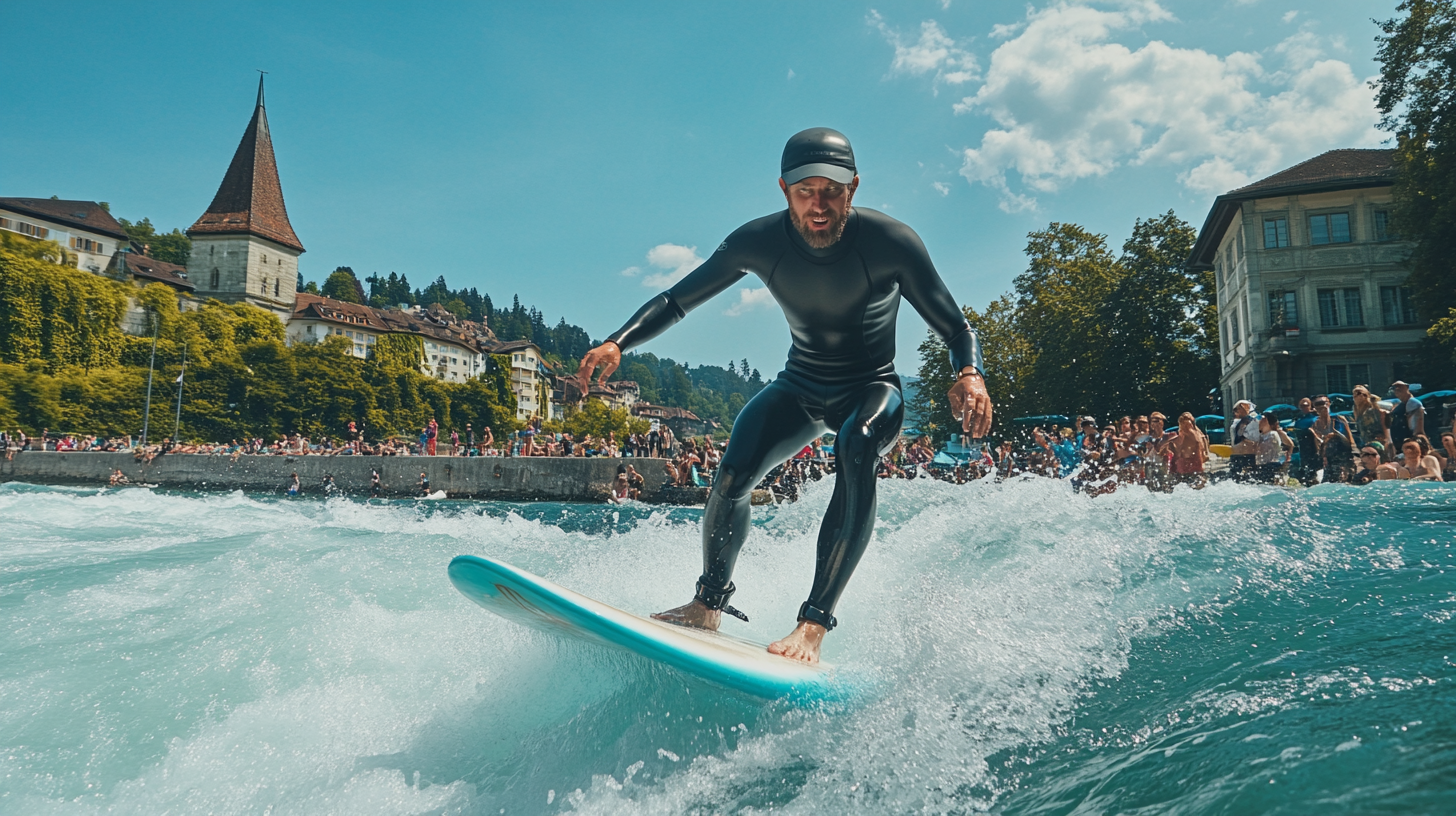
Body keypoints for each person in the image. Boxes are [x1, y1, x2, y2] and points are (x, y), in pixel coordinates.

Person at [574, 128, 991, 664]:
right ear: (783, 189)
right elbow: (678, 299)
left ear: (854, 188)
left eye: (832, 190)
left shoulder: (892, 243)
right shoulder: (757, 241)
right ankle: (707, 604)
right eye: (804, 190)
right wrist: (618, 340)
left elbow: (956, 327)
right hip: (799, 386)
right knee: (730, 476)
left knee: (857, 448)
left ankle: (813, 625)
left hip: (871, 389)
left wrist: (970, 373)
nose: (818, 205)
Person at [1168, 412, 1209, 488]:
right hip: (1197, 472)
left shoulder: (1189, 436)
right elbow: (1205, 456)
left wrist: (1172, 447)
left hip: (1188, 473)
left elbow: (1184, 454)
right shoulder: (1200, 435)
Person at [1227, 400, 1260, 482]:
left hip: (1248, 454)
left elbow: (1254, 438)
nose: (1235, 413)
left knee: (1249, 478)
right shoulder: (1239, 421)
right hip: (1238, 454)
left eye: (1237, 410)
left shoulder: (1254, 419)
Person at [1254, 415, 1292, 485]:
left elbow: (1290, 445)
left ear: (1268, 423)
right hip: (1264, 465)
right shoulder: (1261, 435)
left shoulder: (1273, 434)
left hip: (1271, 465)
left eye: (1263, 420)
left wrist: (1286, 460)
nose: (1259, 422)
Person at [1388, 381, 1425, 450]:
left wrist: (1416, 438)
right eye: (1395, 388)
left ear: (1407, 387)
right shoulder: (1400, 404)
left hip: (1410, 442)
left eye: (1400, 387)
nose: (1397, 389)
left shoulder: (1413, 403)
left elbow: (1417, 425)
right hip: (1400, 442)